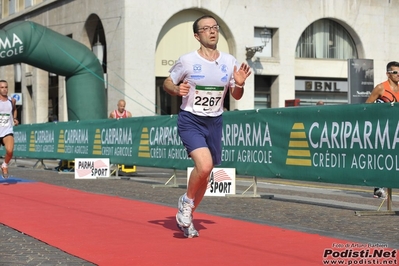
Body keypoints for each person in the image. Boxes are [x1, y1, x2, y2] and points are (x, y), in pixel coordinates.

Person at [163, 15, 251, 238]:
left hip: (215, 121)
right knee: (204, 165)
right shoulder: (187, 61)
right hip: (191, 119)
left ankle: (188, 213)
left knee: (207, 172)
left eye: (215, 27)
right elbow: (168, 82)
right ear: (197, 35)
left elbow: (236, 95)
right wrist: (176, 90)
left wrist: (239, 84)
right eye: (206, 29)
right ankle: (186, 202)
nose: (212, 31)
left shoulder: (229, 61)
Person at [365, 61, 399, 199]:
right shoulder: (381, 88)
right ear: (388, 74)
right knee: (384, 156)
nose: (398, 75)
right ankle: (379, 187)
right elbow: (367, 106)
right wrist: (379, 109)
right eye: (395, 72)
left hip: (396, 128)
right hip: (383, 129)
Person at [0, 80, 18, 179]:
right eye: (2, 87)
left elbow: (14, 109)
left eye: (6, 87)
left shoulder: (12, 100)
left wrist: (14, 118)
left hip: (7, 130)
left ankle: (4, 165)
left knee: (10, 151)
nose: (4, 89)